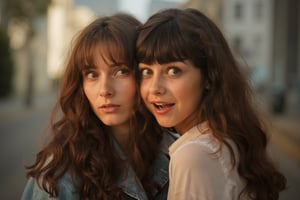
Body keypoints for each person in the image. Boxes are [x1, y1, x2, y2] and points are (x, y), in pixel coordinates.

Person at [136, 8, 286, 200]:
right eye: (146, 72)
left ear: (208, 76)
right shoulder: (225, 138)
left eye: (173, 71)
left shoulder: (193, 156)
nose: (155, 88)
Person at [21, 13, 174, 200]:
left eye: (120, 71)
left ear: (145, 74)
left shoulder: (180, 153)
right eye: (92, 75)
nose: (105, 90)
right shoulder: (60, 174)